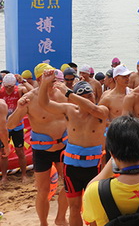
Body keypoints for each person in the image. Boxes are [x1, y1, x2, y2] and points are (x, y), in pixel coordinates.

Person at [38, 70, 109, 226]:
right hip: (72, 168)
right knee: (74, 207)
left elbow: (94, 109)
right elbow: (44, 104)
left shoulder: (101, 112)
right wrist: (44, 83)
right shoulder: (70, 110)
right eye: (83, 97)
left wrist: (69, 92)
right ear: (76, 100)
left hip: (94, 168)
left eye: (90, 96)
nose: (87, 100)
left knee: (93, 208)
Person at [6, 65, 69, 226]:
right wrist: (19, 109)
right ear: (40, 79)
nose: (54, 80)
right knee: (43, 190)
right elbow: (10, 124)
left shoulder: (62, 94)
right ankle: (43, 223)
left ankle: (60, 217)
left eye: (55, 77)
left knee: (70, 185)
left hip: (63, 146)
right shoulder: (29, 99)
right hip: (42, 150)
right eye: (50, 77)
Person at [0, 73, 28, 182]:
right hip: (4, 126)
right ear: (3, 85)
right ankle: (4, 177)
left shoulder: (19, 90)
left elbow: (33, 92)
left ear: (14, 85)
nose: (8, 89)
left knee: (20, 151)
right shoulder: (1, 92)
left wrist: (23, 81)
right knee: (3, 152)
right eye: (6, 87)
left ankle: (24, 175)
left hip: (17, 125)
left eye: (10, 87)